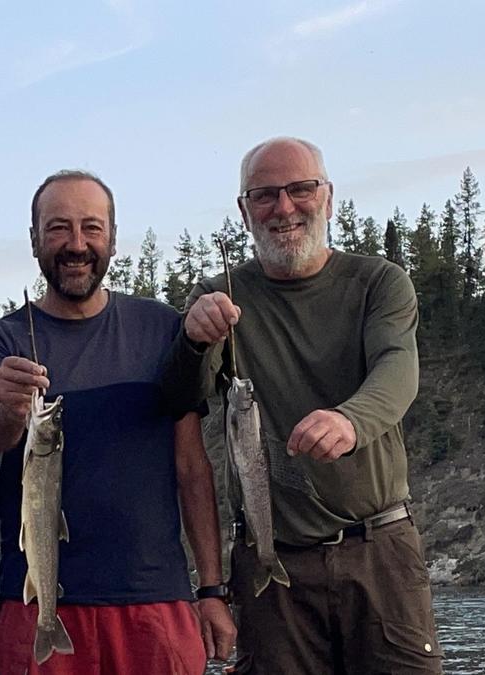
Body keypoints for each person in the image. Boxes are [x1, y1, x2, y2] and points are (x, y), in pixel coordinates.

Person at [173, 137, 444, 673]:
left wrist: (350, 419)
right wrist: (194, 340)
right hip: (270, 568)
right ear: (244, 210)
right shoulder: (218, 297)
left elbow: (397, 370)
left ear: (328, 196)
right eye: (265, 195)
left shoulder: (380, 283)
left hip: (380, 552)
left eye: (301, 190)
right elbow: (181, 396)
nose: (285, 208)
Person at [0, 170, 237, 675]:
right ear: (34, 241)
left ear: (112, 239)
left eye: (91, 228)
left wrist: (212, 590)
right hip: (37, 603)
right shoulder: (2, 340)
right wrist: (7, 403)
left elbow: (191, 468)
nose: (76, 244)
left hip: (157, 601)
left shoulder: (162, 329)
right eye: (58, 229)